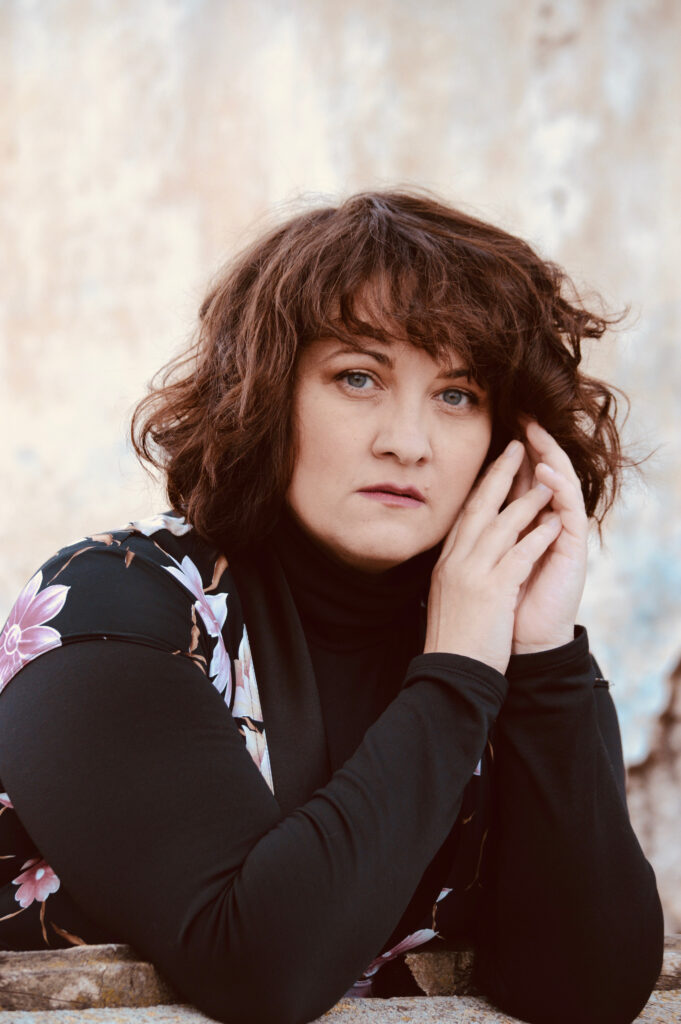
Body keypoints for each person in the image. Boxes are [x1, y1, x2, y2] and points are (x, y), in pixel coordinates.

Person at [0, 190, 663, 1024]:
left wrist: (541, 656)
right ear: (265, 393)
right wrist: (457, 674)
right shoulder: (112, 603)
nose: (407, 441)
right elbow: (259, 969)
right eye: (358, 378)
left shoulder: (481, 626)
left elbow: (585, 988)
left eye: (457, 395)